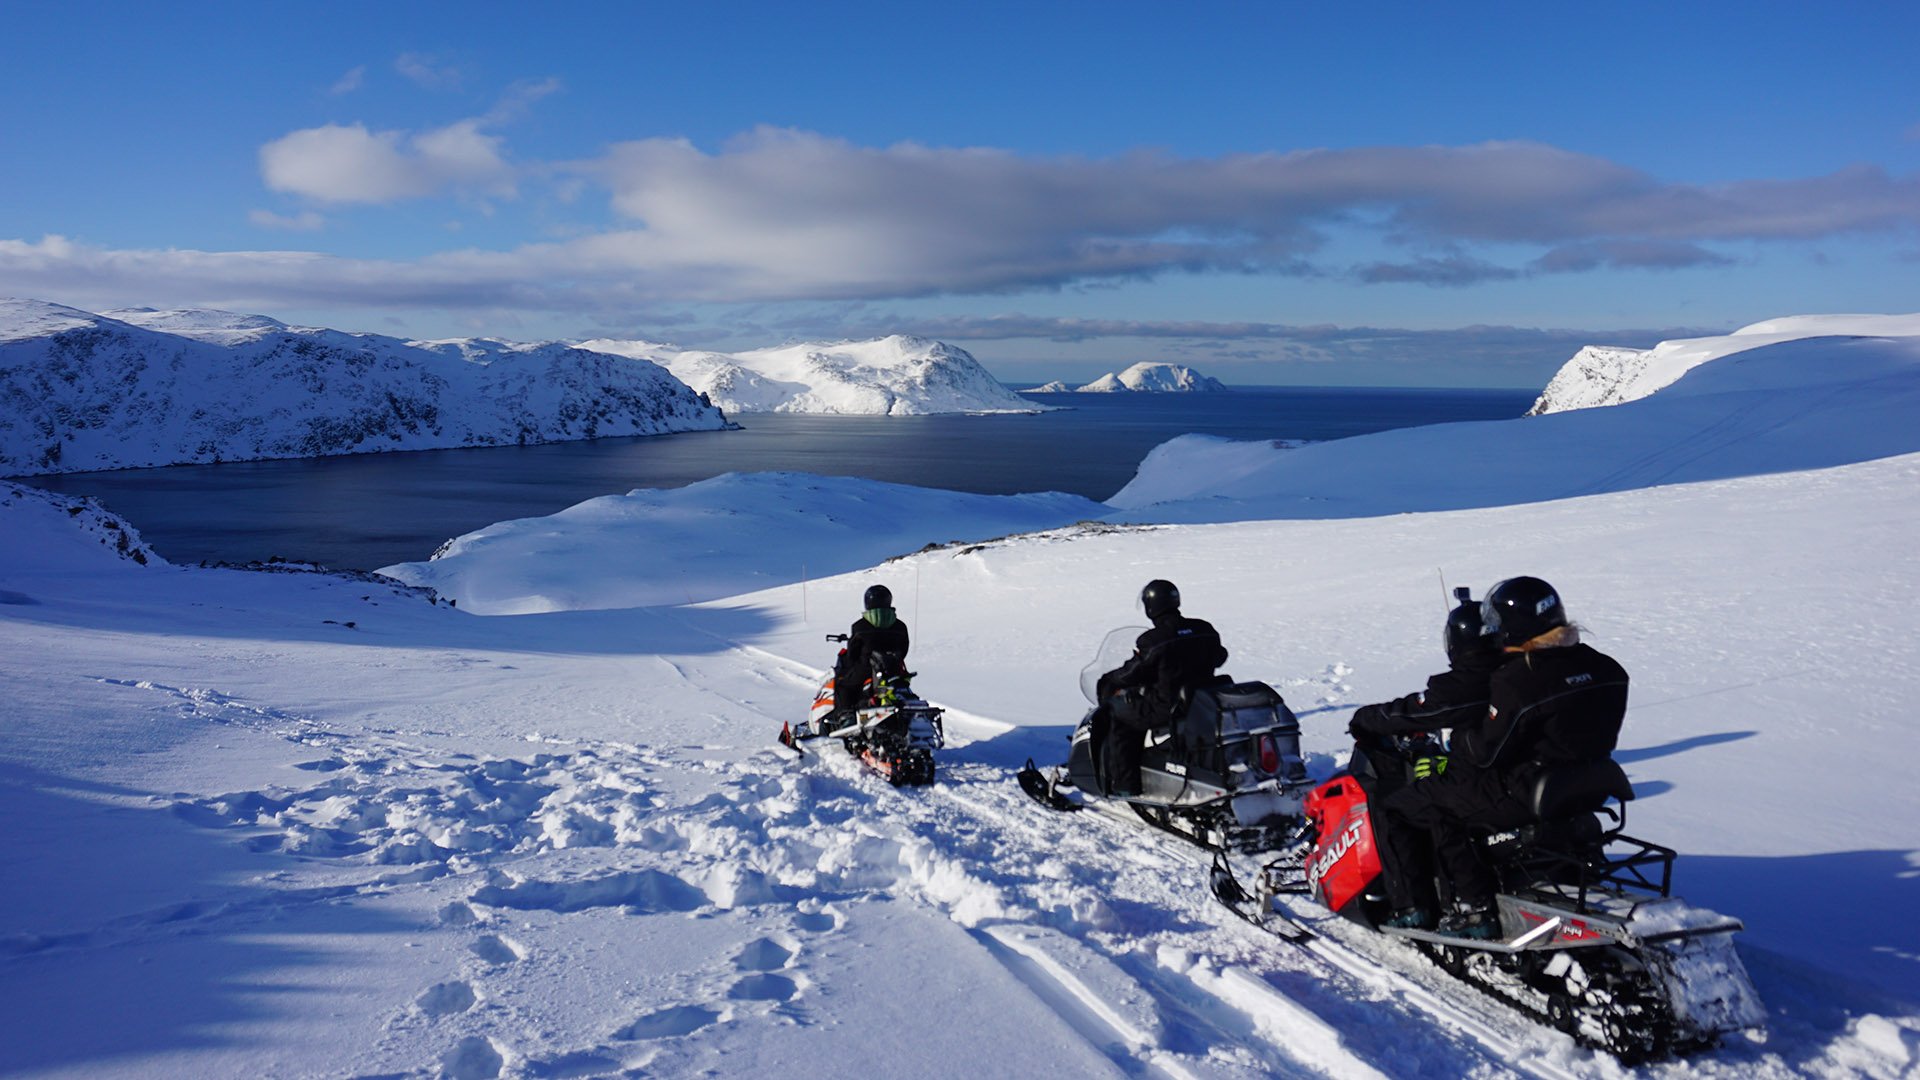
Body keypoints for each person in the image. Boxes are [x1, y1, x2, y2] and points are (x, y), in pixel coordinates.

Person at [1383, 576, 1629, 939]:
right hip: (1589, 782)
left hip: (1524, 790)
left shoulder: (1519, 678)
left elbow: (1488, 753)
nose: (1494, 632)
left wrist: (1455, 738)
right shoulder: (1607, 666)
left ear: (1515, 625)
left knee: (1412, 805)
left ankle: (1466, 908)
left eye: (1497, 622)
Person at [1347, 588, 1503, 931]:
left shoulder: (1465, 683)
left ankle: (1414, 906)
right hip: (1515, 776)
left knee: (1394, 809)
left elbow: (1415, 712)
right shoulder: (1515, 674)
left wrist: (1366, 719)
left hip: (1481, 784)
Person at [1095, 579, 1229, 797]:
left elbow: (1132, 672)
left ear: (1151, 607)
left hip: (1166, 708)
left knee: (1119, 715)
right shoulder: (1204, 629)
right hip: (1201, 704)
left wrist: (1109, 681)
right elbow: (1220, 656)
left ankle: (1125, 784)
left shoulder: (1153, 640)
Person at [832, 584, 911, 720]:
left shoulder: (859, 626)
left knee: (842, 683)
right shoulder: (900, 626)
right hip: (894, 671)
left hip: (867, 669)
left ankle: (846, 715)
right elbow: (904, 649)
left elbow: (852, 654)